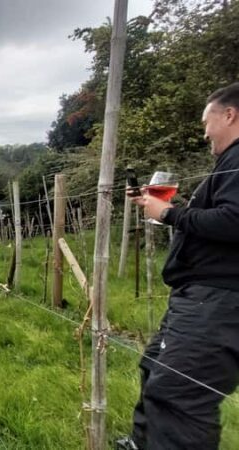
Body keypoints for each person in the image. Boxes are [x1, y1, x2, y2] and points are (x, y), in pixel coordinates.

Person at [118, 83, 239, 450]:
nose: (205, 131)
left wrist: (169, 212)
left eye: (207, 121)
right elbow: (218, 217)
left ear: (230, 115)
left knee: (178, 393)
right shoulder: (229, 164)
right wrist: (160, 205)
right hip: (199, 297)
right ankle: (144, 443)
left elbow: (234, 220)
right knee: (154, 368)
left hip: (218, 301)